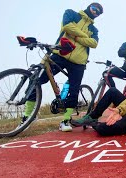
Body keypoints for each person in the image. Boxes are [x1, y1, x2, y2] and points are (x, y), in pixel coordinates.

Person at [22, 2, 103, 132]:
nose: (95, 12)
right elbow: (67, 27)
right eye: (94, 9)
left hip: (79, 62)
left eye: (98, 12)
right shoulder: (71, 13)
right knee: (38, 80)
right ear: (89, 7)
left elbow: (93, 43)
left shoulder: (94, 29)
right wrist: (83, 36)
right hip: (59, 54)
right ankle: (27, 116)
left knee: (74, 89)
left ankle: (65, 120)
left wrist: (75, 36)